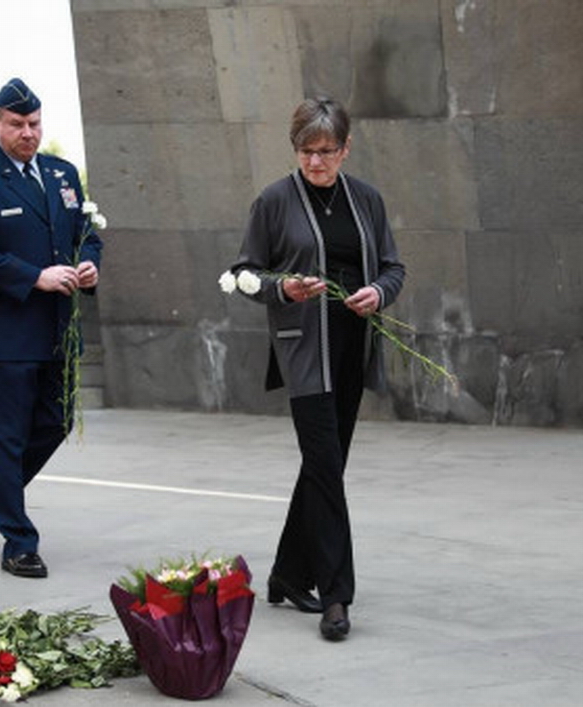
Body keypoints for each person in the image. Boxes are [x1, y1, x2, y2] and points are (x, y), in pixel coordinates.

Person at [228, 97, 405, 640]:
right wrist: (283, 286)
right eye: (307, 152)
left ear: (345, 149)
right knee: (326, 469)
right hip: (304, 352)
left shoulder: (367, 201)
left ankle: (285, 572)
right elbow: (243, 272)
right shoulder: (275, 202)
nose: (316, 163)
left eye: (327, 152)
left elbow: (395, 267)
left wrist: (378, 291)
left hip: (354, 347)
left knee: (323, 467)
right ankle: (336, 596)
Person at [0, 78, 102, 579]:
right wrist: (35, 276)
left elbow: (86, 232)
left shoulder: (61, 172)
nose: (28, 133)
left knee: (55, 424)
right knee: (7, 438)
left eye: (34, 124)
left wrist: (89, 263)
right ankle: (18, 541)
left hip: (57, 330)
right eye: (16, 125)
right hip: (5, 334)